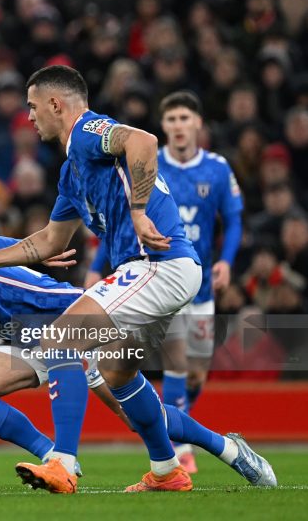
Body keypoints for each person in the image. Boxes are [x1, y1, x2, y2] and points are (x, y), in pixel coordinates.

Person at [0, 65, 275, 493]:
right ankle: (182, 465)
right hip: (155, 273)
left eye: (32, 107)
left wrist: (139, 211)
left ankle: (63, 463)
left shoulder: (89, 130)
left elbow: (143, 141)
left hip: (158, 264)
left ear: (55, 104)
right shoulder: (71, 171)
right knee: (117, 374)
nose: (28, 117)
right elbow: (51, 240)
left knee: (61, 340)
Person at [0, 237, 278, 492]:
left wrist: (33, 249)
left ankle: (226, 447)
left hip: (79, 317)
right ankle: (57, 456)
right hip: (34, 337)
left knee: (134, 416)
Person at [87, 91, 244, 473]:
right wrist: (97, 264)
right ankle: (177, 450)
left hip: (201, 283)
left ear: (198, 125)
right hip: (159, 274)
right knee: (176, 361)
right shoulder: (150, 165)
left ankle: (178, 419)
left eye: (184, 119)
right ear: (164, 127)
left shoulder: (218, 169)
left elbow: (234, 220)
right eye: (171, 119)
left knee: (195, 370)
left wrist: (226, 262)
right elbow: (122, 223)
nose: (177, 126)